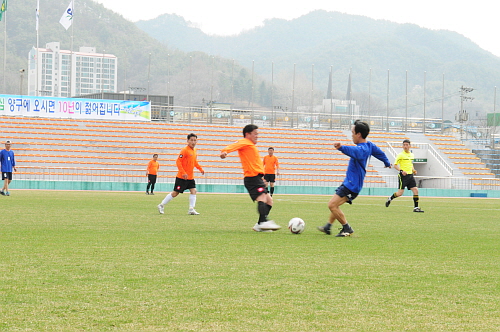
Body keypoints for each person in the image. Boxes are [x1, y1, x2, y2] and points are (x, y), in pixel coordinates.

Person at [317, 120, 391, 237]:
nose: (351, 135)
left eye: (353, 132)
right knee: (335, 205)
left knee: (332, 205)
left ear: (359, 134)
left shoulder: (362, 149)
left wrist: (341, 147)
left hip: (352, 186)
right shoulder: (369, 145)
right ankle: (328, 226)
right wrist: (387, 162)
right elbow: (380, 153)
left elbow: (354, 151)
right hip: (350, 183)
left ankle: (347, 228)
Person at [220, 124, 281, 232]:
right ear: (247, 134)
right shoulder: (244, 142)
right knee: (262, 197)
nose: (257, 136)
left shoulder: (251, 145)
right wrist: (225, 152)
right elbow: (231, 146)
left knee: (269, 201)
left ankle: (259, 225)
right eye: (255, 134)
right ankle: (263, 222)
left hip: (257, 177)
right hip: (251, 177)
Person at [157, 134, 204, 215]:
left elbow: (194, 162)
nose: (193, 142)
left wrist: (200, 168)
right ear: (187, 141)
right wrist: (183, 173)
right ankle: (161, 205)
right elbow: (178, 161)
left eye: (194, 140)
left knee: (193, 191)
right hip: (182, 177)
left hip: (190, 177)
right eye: (191, 140)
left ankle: (191, 209)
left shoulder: (195, 150)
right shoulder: (184, 150)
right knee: (175, 193)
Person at [385, 139, 424, 212]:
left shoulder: (412, 155)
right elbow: (395, 165)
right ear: (402, 146)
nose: (405, 146)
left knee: (415, 190)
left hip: (410, 175)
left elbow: (411, 164)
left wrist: (413, 170)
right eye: (404, 145)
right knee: (400, 193)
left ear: (410, 146)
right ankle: (390, 198)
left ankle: (416, 208)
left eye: (407, 145)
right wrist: (401, 171)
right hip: (403, 176)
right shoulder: (400, 155)